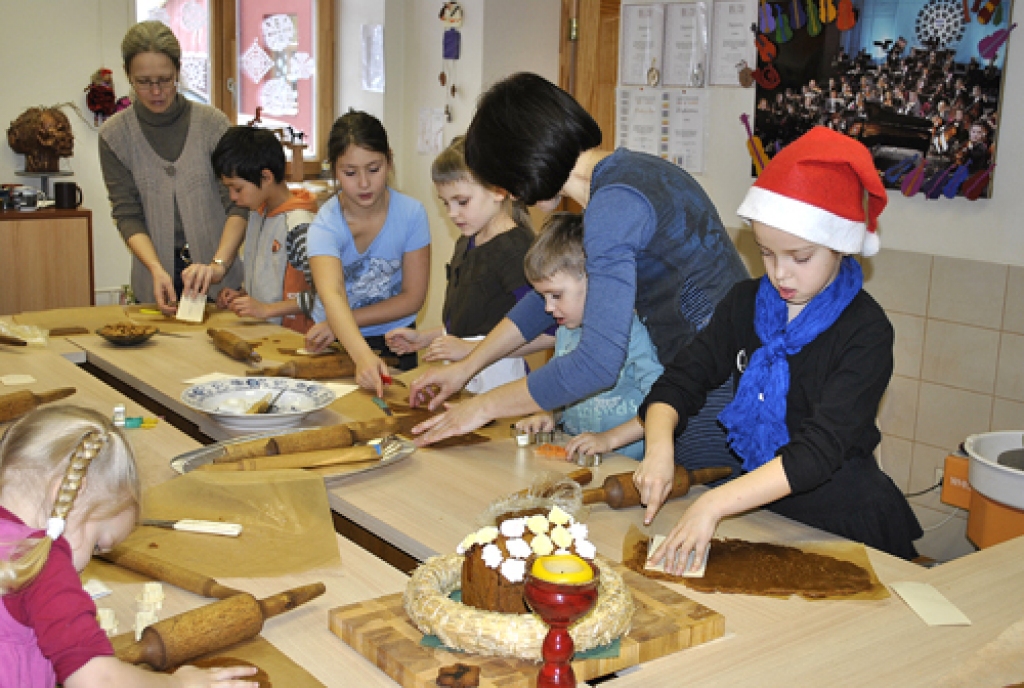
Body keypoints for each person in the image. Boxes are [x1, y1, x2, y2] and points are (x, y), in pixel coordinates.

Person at [409, 73, 749, 479]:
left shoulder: (612, 207)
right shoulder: (625, 177)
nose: (514, 197)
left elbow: (597, 363)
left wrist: (481, 407)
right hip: (715, 375)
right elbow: (541, 305)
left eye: (506, 182)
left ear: (523, 166)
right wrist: (466, 367)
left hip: (715, 393)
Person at [641, 128, 923, 575]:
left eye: (800, 257)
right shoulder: (743, 304)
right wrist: (659, 450)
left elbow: (817, 452)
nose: (780, 273)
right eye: (767, 253)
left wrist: (714, 503)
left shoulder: (865, 331)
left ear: (840, 246)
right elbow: (680, 382)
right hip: (766, 513)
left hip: (847, 523)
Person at [0, 406, 258, 688]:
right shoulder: (43, 564)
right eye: (98, 543)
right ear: (69, 497)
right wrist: (178, 685)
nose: (86, 566)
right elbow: (98, 680)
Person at [100, 21, 245, 313]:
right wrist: (155, 268)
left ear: (178, 71)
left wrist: (218, 265)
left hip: (220, 283)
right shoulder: (115, 136)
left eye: (165, 79)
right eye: (143, 81)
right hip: (156, 285)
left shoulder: (213, 125)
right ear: (128, 75)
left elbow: (238, 205)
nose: (156, 91)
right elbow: (127, 214)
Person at [385, 137, 547, 394]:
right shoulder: (466, 241)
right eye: (445, 203)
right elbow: (474, 322)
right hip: (464, 376)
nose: (451, 213)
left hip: (501, 382)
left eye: (462, 202)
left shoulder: (516, 251)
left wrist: (472, 350)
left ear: (498, 191)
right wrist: (428, 338)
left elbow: (549, 333)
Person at [514, 214, 663, 461]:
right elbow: (566, 396)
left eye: (556, 296)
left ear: (595, 281)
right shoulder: (566, 331)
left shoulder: (632, 332)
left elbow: (660, 405)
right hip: (578, 458)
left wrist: (608, 439)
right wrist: (549, 415)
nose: (548, 309)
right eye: (544, 298)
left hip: (626, 464)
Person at [306, 111, 431, 395]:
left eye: (373, 169)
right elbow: (332, 294)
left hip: (394, 339)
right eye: (350, 173)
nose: (363, 183)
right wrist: (359, 352)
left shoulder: (411, 214)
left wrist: (336, 323)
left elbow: (412, 298)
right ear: (334, 170)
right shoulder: (325, 224)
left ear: (389, 160)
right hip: (338, 342)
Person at [186, 126, 318, 334]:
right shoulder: (257, 214)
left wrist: (267, 309)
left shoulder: (300, 227)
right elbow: (269, 282)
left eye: (237, 188)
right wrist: (242, 295)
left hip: (296, 339)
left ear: (266, 177)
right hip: (266, 334)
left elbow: (325, 296)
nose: (232, 197)